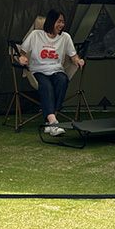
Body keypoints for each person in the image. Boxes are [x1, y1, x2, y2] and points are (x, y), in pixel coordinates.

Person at [18, 9, 85, 137]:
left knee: (63, 80)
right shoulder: (36, 35)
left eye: (63, 22)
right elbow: (23, 51)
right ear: (51, 21)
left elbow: (73, 55)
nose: (61, 25)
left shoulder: (65, 37)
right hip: (38, 70)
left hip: (56, 70)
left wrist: (78, 60)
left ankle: (50, 121)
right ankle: (53, 122)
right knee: (47, 86)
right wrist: (22, 58)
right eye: (59, 21)